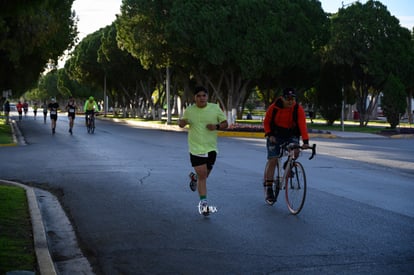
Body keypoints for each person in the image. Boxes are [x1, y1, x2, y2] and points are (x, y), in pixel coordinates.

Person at [178, 86, 228, 216]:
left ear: (207, 97)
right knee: (203, 176)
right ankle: (204, 203)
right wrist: (181, 123)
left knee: (204, 176)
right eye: (198, 96)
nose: (201, 98)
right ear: (194, 98)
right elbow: (182, 122)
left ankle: (194, 178)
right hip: (195, 148)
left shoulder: (214, 108)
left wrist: (216, 126)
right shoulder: (189, 110)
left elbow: (225, 123)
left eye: (204, 95)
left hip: (211, 148)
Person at [262, 88, 310, 205]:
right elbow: (266, 122)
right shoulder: (274, 107)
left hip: (291, 134)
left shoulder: (297, 109)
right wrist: (269, 134)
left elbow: (302, 125)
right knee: (273, 159)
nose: (290, 101)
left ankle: (287, 164)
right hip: (275, 134)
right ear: (282, 98)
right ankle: (269, 189)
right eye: (288, 99)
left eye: (292, 99)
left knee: (296, 151)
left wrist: (305, 141)